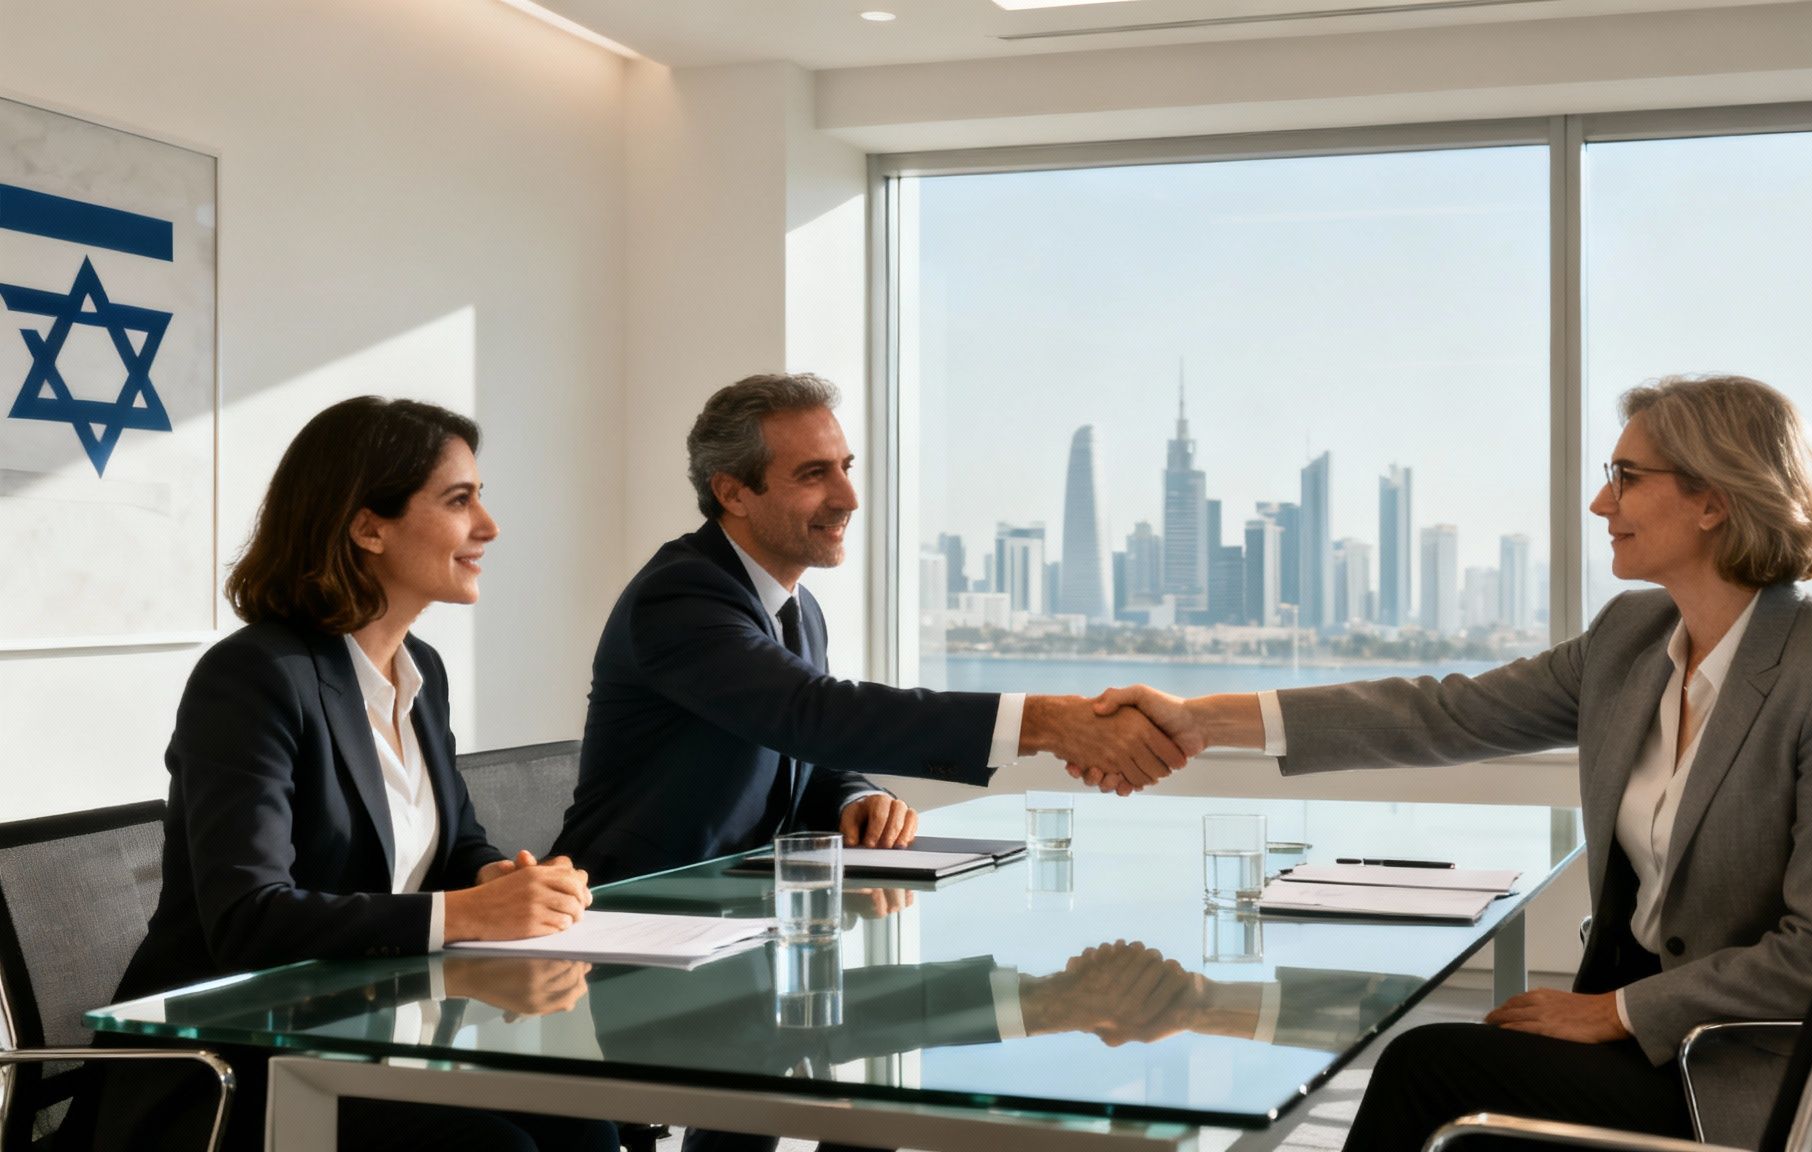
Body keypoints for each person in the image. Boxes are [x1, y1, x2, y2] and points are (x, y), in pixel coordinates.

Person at [1087, 375, 1812, 1151]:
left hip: (1741, 1074)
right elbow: (1442, 712)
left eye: (1627, 477)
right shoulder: (1632, 638)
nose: (1602, 502)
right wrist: (1199, 721)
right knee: (1449, 1056)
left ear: (1712, 500)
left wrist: (1618, 1013)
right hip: (1647, 1033)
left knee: (1432, 1069)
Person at [92, 398, 614, 1152]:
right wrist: (468, 916)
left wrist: (500, 877)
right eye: (460, 500)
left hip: (371, 1026)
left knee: (578, 1114)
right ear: (367, 526)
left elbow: (453, 840)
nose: (489, 526)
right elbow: (249, 919)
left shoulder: (418, 670)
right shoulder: (253, 678)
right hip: (235, 1064)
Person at [551, 372, 1191, 891]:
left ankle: (1035, 1009)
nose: (849, 497)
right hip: (638, 919)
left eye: (845, 467)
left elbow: (804, 750)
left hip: (751, 915)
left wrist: (854, 794)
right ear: (733, 492)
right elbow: (811, 714)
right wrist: (1050, 720)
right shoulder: (682, 596)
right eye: (813, 474)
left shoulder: (795, 608)